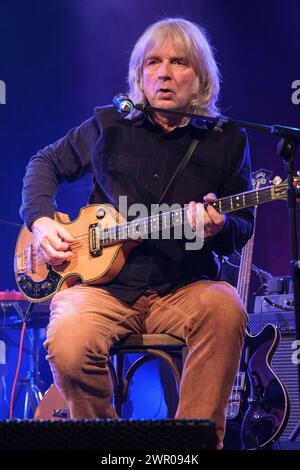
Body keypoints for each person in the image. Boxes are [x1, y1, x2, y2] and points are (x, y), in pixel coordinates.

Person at [20, 18, 253, 449]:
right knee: (69, 339)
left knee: (226, 309)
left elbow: (240, 227)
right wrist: (42, 220)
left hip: (183, 287)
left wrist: (218, 229)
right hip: (101, 290)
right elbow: (44, 165)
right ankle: (110, 448)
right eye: (153, 62)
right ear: (139, 75)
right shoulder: (109, 126)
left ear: (200, 77)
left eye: (178, 62)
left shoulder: (228, 141)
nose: (163, 73)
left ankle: (192, 449)